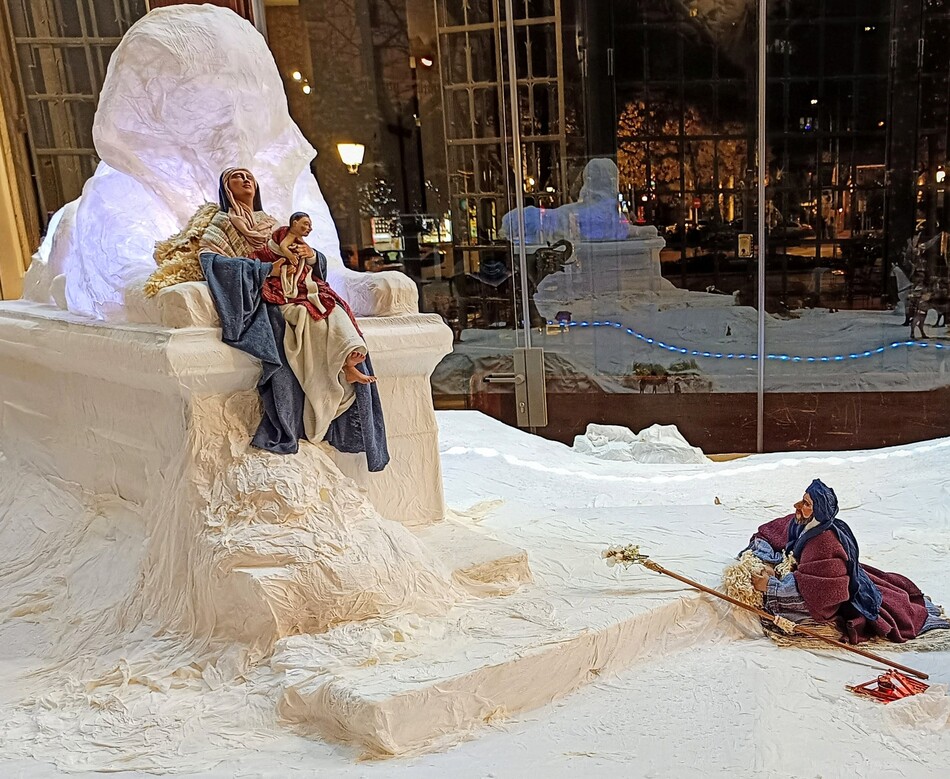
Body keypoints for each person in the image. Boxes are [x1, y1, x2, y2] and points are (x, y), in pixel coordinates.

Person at [198, 168, 387, 465]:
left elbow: (304, 256)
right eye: (237, 177)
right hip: (267, 294)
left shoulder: (270, 223)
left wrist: (311, 256)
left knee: (333, 311)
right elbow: (211, 263)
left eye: (249, 177)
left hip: (296, 286)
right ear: (226, 188)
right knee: (304, 321)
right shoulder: (222, 224)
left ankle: (345, 367)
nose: (246, 180)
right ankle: (319, 397)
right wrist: (263, 271)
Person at [743, 479, 948, 644]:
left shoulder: (824, 545)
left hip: (836, 592)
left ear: (819, 511)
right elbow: (772, 532)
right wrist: (770, 561)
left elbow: (824, 594)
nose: (797, 506)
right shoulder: (801, 523)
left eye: (806, 504)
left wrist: (771, 586)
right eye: (802, 500)